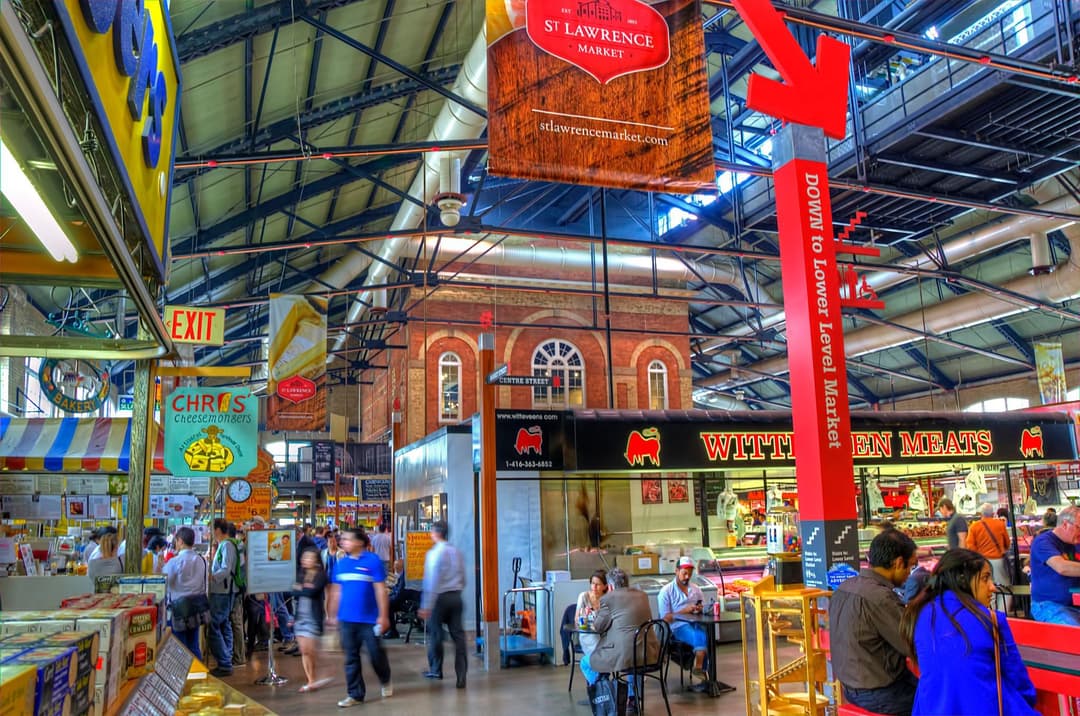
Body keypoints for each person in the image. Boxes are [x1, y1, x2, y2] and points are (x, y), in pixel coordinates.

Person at [901, 549, 1037, 715]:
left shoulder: (919, 613)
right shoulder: (991, 619)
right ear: (963, 580)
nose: (992, 587)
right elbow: (1017, 678)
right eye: (985, 578)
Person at [829, 529, 919, 715]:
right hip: (880, 693)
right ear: (898, 563)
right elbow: (912, 645)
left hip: (850, 686)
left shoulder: (844, 588)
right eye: (910, 567)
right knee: (940, 700)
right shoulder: (881, 598)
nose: (909, 574)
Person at [326, 528, 392, 707]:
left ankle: (385, 679)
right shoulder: (341, 564)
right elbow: (336, 591)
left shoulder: (373, 561)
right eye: (343, 539)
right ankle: (355, 694)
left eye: (347, 539)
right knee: (350, 657)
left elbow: (380, 590)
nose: (343, 542)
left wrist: (383, 616)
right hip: (347, 620)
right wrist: (332, 615)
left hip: (370, 620)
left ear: (359, 542)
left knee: (375, 654)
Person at [580, 567, 657, 714]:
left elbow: (598, 626)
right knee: (634, 655)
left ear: (609, 586)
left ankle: (608, 695)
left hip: (625, 655)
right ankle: (633, 699)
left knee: (585, 663)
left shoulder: (608, 599)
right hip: (650, 653)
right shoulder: (642, 595)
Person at [420, 520, 467, 689]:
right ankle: (461, 676)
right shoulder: (457, 552)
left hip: (439, 599)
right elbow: (463, 577)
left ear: (437, 533)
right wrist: (457, 590)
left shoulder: (434, 554)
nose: (431, 535)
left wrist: (426, 605)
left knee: (436, 634)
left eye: (432, 532)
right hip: (456, 597)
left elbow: (431, 582)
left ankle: (436, 669)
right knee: (458, 637)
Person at [1028, 504, 1080, 626]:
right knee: (1074, 635)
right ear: (1065, 524)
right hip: (1049, 605)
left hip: (1075, 603)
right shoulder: (1043, 542)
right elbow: (1062, 567)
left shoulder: (1075, 541)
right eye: (1079, 527)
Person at [162, 527, 209, 659]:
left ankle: (183, 676)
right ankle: (197, 674)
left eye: (176, 541)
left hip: (179, 610)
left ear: (180, 541)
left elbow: (165, 582)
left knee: (179, 645)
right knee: (194, 645)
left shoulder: (174, 562)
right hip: (196, 607)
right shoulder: (201, 560)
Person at [658, 556, 707, 679]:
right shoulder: (666, 591)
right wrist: (683, 611)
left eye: (689, 574)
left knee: (707, 637)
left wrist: (701, 609)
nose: (687, 577)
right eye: (684, 573)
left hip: (695, 622)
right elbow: (665, 619)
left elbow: (705, 607)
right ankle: (700, 669)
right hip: (677, 627)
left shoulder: (696, 589)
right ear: (676, 571)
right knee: (700, 636)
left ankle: (703, 674)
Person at [294, 548, 332, 693]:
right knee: (304, 650)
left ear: (316, 560)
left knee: (310, 649)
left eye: (309, 558)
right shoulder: (300, 574)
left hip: (313, 617)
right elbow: (293, 591)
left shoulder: (321, 575)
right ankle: (310, 680)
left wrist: (301, 588)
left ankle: (318, 674)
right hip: (300, 616)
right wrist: (303, 588)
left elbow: (312, 592)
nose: (305, 560)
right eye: (304, 557)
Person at [966, 502, 1013, 612]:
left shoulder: (974, 527)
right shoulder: (1000, 524)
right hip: (998, 561)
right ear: (993, 513)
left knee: (987, 589)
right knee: (1005, 588)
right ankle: (1002, 613)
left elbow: (970, 547)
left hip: (982, 562)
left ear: (981, 514)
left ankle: (990, 613)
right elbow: (1007, 543)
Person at [207, 518, 238, 677]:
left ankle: (225, 662)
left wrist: (212, 577)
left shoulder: (226, 545)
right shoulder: (226, 545)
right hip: (224, 590)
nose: (211, 533)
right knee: (224, 624)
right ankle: (227, 656)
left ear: (218, 530)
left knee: (214, 625)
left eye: (212, 529)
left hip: (222, 591)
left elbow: (225, 568)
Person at [575, 569, 608, 661]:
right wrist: (584, 616)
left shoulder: (607, 598)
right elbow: (577, 619)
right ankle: (601, 671)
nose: (594, 587)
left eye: (598, 584)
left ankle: (602, 673)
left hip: (604, 633)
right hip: (589, 634)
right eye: (592, 583)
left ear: (605, 586)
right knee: (597, 648)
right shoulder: (583, 596)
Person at [226, 523, 247, 667]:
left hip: (234, 589)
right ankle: (238, 655)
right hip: (240, 587)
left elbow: (227, 569)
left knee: (236, 621)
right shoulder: (240, 546)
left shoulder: (230, 546)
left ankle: (239, 657)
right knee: (237, 622)